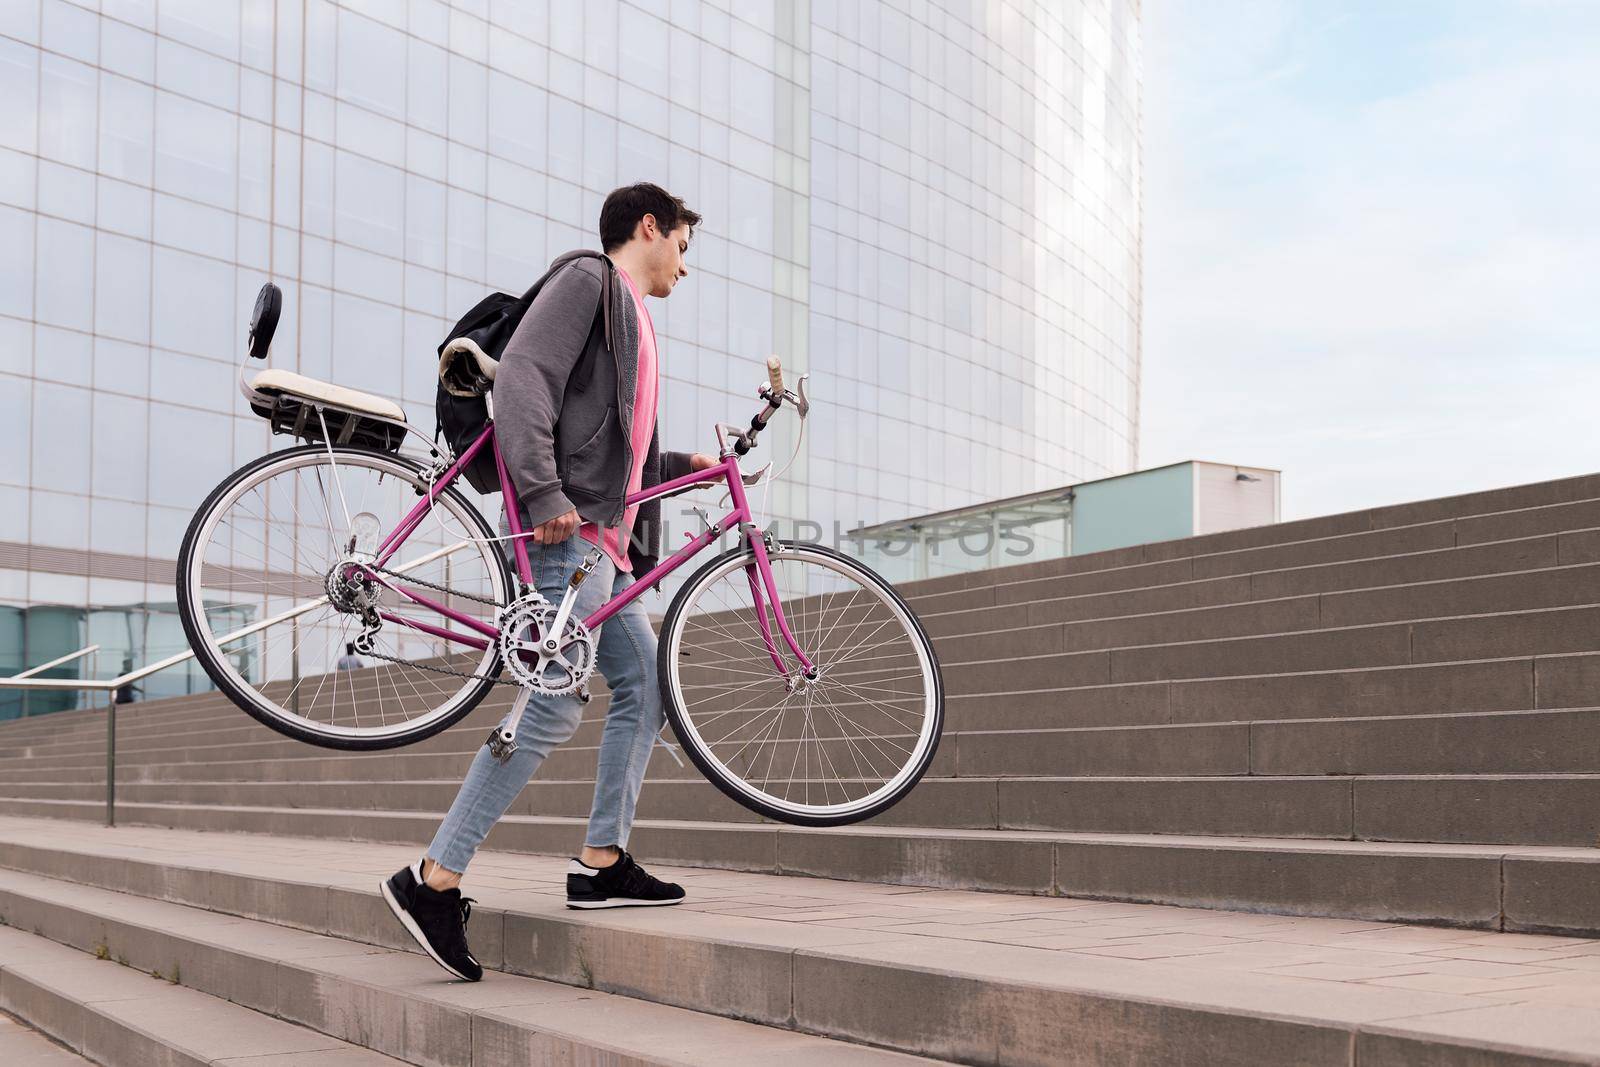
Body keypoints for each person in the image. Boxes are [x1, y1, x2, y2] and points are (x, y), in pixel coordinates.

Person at [381, 183, 715, 982]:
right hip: (569, 539)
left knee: (645, 687)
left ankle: (603, 859)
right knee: (555, 700)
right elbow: (525, 377)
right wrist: (541, 493)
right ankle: (434, 877)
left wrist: (676, 469)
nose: (684, 266)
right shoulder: (588, 282)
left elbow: (610, 455)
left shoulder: (631, 319)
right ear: (649, 227)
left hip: (606, 544)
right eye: (683, 246)